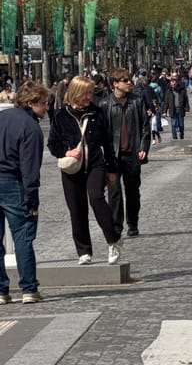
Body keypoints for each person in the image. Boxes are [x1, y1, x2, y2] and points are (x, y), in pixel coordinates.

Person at [47, 76, 122, 265]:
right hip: (72, 167)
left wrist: (112, 170)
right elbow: (52, 144)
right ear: (75, 93)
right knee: (76, 208)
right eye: (86, 93)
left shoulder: (97, 113)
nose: (90, 96)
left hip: (96, 163)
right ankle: (84, 250)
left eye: (91, 92)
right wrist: (66, 151)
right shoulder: (61, 116)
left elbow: (108, 143)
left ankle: (113, 239)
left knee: (96, 198)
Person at [0, 80, 49, 304]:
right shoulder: (31, 128)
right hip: (14, 182)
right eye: (44, 103)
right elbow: (30, 169)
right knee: (22, 237)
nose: (47, 107)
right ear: (31, 103)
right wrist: (33, 200)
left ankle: (2, 291)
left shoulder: (2, 118)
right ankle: (28, 288)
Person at [98, 69, 151, 238]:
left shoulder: (136, 101)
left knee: (133, 192)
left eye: (129, 79)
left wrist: (143, 147)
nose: (129, 82)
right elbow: (101, 132)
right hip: (113, 156)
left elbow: (145, 126)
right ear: (115, 84)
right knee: (114, 193)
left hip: (132, 153)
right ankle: (116, 226)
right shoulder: (105, 104)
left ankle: (133, 223)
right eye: (125, 80)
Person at [163, 72, 190, 140]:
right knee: (173, 124)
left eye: (174, 83)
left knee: (181, 124)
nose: (173, 84)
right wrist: (164, 111)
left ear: (176, 82)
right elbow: (166, 102)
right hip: (173, 109)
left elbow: (185, 99)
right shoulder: (169, 91)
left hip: (180, 109)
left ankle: (181, 135)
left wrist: (186, 109)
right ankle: (174, 137)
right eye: (172, 83)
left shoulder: (181, 90)